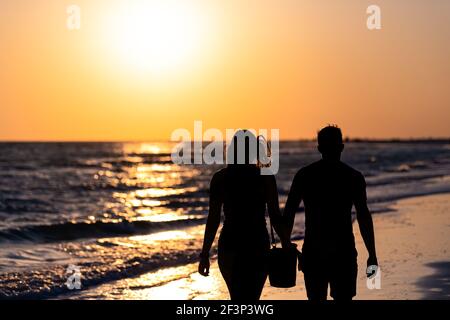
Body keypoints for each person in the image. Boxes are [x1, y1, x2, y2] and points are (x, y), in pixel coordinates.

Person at [284, 125, 378, 301]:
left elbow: (288, 213)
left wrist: (286, 245)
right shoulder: (353, 177)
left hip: (314, 252)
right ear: (341, 147)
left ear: (319, 148)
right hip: (344, 252)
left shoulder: (304, 175)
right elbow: (363, 216)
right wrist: (372, 254)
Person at [198, 130, 290, 301]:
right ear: (255, 150)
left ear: (232, 150)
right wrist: (286, 244)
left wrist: (205, 254)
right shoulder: (265, 178)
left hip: (230, 244)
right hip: (257, 244)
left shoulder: (220, 178)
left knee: (237, 299)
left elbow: (213, 219)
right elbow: (275, 217)